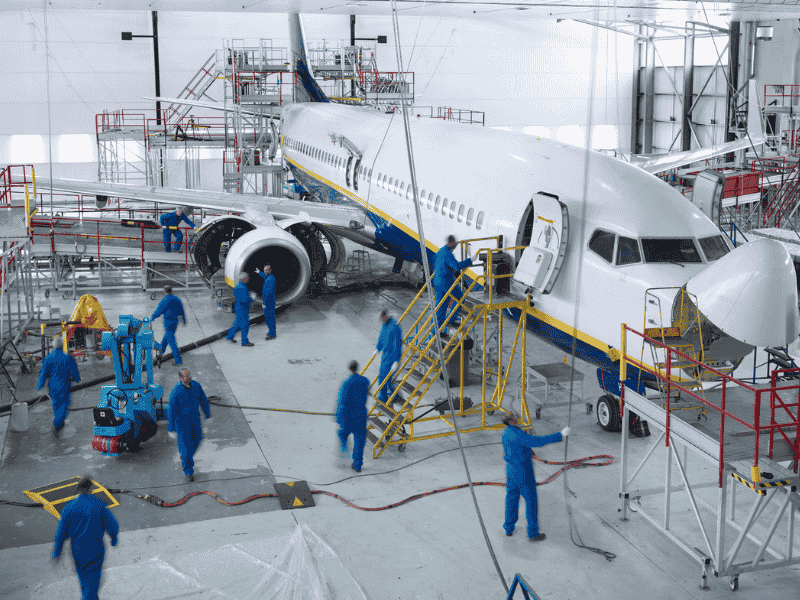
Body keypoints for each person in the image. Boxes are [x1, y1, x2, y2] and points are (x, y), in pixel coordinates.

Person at [501, 411, 569, 541]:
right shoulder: (518, 434)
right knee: (531, 501)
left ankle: (508, 528)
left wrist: (526, 449)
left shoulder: (506, 433)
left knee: (511, 499)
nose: (517, 417)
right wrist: (560, 434)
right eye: (515, 417)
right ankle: (533, 533)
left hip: (511, 471)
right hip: (523, 472)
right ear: (511, 421)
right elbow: (538, 441)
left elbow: (515, 447)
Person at [53, 476, 119, 600]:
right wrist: (114, 539)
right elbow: (112, 525)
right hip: (95, 551)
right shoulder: (98, 505)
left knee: (85, 579)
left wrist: (57, 551)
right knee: (92, 585)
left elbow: (61, 532)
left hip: (77, 551)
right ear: (91, 488)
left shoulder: (69, 507)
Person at [167, 368, 212, 482]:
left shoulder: (196, 386)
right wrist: (171, 428)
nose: (189, 378)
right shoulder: (176, 392)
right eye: (186, 376)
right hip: (182, 425)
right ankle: (188, 471)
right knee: (185, 450)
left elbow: (203, 400)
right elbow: (171, 410)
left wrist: (207, 415)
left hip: (195, 420)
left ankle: (187, 459)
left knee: (198, 440)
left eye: (189, 375)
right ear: (180, 378)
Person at [432, 235, 479, 333]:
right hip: (446, 282)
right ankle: (451, 320)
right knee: (460, 297)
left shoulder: (441, 251)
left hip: (437, 281)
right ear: (451, 243)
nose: (456, 245)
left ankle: (436, 332)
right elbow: (457, 266)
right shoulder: (447, 253)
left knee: (441, 307)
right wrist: (471, 260)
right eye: (455, 243)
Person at [37, 336, 81, 437]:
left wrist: (40, 386)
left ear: (53, 346)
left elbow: (43, 374)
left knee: (56, 405)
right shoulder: (67, 357)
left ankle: (59, 421)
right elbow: (74, 370)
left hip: (52, 387)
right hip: (64, 386)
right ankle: (57, 423)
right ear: (62, 346)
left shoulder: (48, 358)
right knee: (65, 405)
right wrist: (77, 379)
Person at [336, 360, 370, 472]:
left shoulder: (346, 383)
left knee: (343, 432)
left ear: (349, 368)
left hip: (348, 415)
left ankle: (343, 449)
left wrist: (338, 417)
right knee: (360, 441)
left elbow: (342, 401)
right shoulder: (365, 381)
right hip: (360, 415)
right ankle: (357, 465)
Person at [371, 309, 402, 405]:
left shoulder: (395, 326)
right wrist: (377, 349)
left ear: (385, 316)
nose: (381, 321)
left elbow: (397, 344)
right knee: (382, 378)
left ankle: (395, 396)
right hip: (385, 356)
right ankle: (384, 398)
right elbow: (381, 339)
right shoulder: (384, 326)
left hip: (393, 357)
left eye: (381, 319)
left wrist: (396, 361)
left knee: (389, 380)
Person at [151, 285, 186, 365]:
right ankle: (160, 352)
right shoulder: (176, 299)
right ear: (171, 290)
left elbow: (159, 311)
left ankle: (178, 360)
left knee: (172, 342)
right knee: (167, 337)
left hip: (168, 323)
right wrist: (184, 320)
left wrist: (152, 318)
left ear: (165, 291)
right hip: (175, 322)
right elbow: (181, 310)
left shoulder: (165, 300)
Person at [226, 272, 255, 347]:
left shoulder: (238, 286)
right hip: (243, 309)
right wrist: (252, 298)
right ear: (244, 279)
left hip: (238, 308)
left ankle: (230, 336)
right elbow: (244, 300)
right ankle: (244, 342)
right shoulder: (242, 287)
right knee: (245, 325)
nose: (248, 279)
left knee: (237, 324)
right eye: (247, 278)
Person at [256, 264, 277, 340]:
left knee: (269, 318)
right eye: (264, 270)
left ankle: (272, 334)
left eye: (266, 270)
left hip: (269, 302)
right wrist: (259, 272)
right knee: (270, 317)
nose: (265, 271)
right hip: (270, 302)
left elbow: (268, 293)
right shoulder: (269, 277)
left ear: (270, 270)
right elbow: (264, 276)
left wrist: (264, 303)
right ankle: (272, 331)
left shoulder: (270, 280)